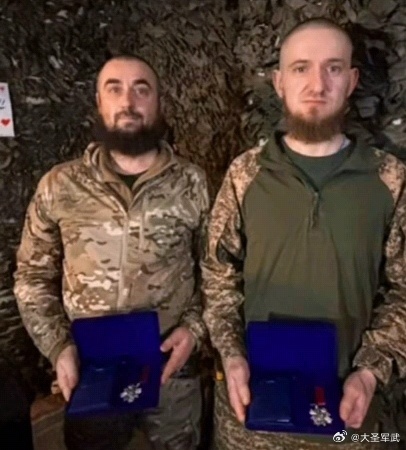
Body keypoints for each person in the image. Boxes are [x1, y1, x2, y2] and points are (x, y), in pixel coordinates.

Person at [201, 17, 406, 450]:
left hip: (350, 421)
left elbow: (404, 292)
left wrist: (370, 372)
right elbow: (218, 278)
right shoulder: (245, 175)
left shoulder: (390, 179)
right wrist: (232, 356)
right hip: (250, 417)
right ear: (278, 82)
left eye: (333, 68)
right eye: (300, 68)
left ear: (352, 81)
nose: (317, 84)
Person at [14, 55, 209, 450]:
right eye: (114, 88)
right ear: (99, 102)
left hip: (172, 371)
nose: (128, 101)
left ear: (159, 102)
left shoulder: (192, 183)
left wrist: (194, 330)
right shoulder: (60, 185)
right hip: (90, 370)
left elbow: (219, 273)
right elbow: (32, 277)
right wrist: (58, 348)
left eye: (141, 89)